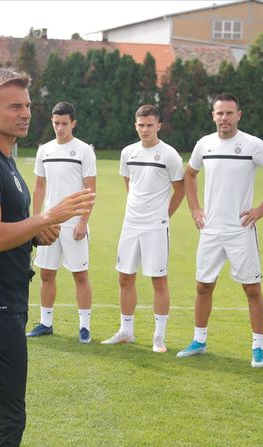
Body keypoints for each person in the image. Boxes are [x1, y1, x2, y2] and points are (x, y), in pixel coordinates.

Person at [0, 67, 94, 446]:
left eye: (28, 105)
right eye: (15, 106)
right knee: (7, 421)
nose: (26, 113)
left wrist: (34, 233)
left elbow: (7, 229)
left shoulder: (5, 159)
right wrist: (46, 217)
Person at [176, 93, 263, 367]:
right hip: (210, 230)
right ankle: (199, 340)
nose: (224, 118)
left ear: (239, 115)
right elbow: (189, 174)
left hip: (240, 230)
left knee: (251, 289)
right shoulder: (205, 144)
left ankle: (258, 348)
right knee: (203, 286)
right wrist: (194, 208)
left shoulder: (253, 145)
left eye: (229, 113)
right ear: (213, 115)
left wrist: (260, 209)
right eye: (219, 113)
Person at [101, 104, 184, 352]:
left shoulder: (170, 155)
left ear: (159, 125)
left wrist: (164, 215)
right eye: (141, 125)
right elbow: (130, 185)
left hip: (156, 227)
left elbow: (179, 190)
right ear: (135, 125)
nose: (145, 130)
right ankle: (126, 331)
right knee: (125, 277)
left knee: (158, 280)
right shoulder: (128, 153)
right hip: (130, 224)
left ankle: (159, 337)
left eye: (149, 125)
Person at [26, 102, 97, 343]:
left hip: (74, 223)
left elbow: (90, 190)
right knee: (46, 274)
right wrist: (37, 221)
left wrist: (83, 221)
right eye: (56, 123)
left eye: (64, 123)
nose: (59, 128)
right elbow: (39, 187)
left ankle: (84, 327)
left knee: (80, 275)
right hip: (49, 223)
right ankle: (46, 323)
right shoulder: (44, 150)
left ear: (73, 123)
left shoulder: (84, 150)